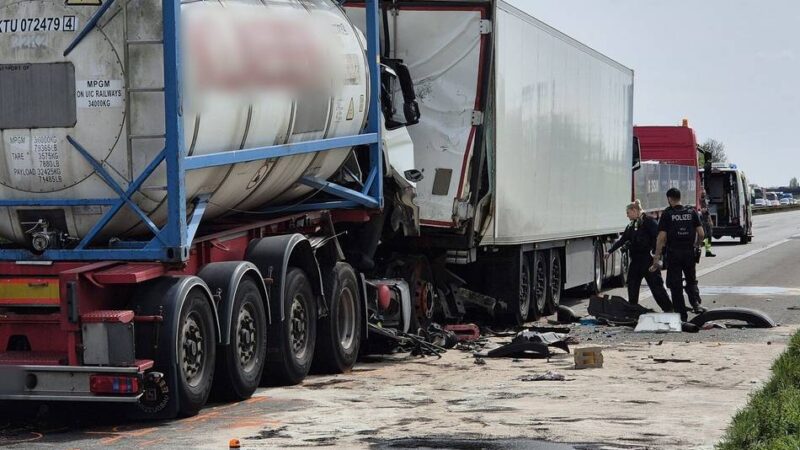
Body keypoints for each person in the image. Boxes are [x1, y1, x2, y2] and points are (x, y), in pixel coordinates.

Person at [606, 200, 673, 312]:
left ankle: (669, 309)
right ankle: (632, 308)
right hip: (636, 260)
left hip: (648, 260)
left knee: (656, 287)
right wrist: (609, 251)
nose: (627, 215)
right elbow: (623, 239)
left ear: (634, 210)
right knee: (632, 283)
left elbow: (659, 238)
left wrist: (658, 256)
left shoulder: (649, 222)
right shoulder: (632, 225)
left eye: (628, 213)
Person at [650, 188, 705, 321]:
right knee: (691, 279)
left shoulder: (667, 214)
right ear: (680, 197)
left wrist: (656, 257)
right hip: (689, 252)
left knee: (675, 285)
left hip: (674, 253)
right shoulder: (691, 212)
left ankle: (681, 315)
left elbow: (661, 237)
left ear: (669, 199)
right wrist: (697, 246)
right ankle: (696, 303)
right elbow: (701, 233)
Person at [699, 189, 715, 257]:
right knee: (704, 236)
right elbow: (699, 210)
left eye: (704, 193)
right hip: (701, 221)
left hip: (706, 220)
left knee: (709, 236)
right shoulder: (699, 201)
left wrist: (710, 220)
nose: (704, 194)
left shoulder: (705, 201)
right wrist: (701, 210)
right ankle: (698, 249)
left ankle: (708, 251)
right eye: (703, 193)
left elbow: (708, 212)